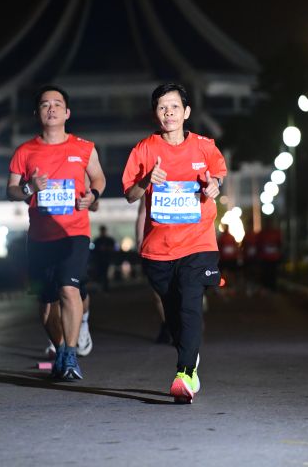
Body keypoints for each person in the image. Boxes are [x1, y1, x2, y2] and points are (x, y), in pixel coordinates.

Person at [122, 82, 227, 403]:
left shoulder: (204, 146)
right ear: (155, 113)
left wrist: (213, 186)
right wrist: (146, 180)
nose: (169, 113)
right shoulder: (144, 149)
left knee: (190, 302)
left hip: (198, 243)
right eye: (162, 107)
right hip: (159, 249)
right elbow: (130, 195)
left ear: (186, 112)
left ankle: (184, 372)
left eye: (174, 107)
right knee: (173, 313)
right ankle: (189, 356)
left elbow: (218, 177)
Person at [7, 85, 106, 381]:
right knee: (46, 302)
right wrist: (30, 187)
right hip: (40, 237)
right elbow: (12, 190)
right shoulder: (25, 151)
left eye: (57, 104)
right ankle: (61, 348)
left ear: (67, 112)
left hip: (74, 232)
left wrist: (92, 195)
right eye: (45, 104)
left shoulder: (84, 148)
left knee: (68, 288)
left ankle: (71, 354)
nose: (51, 109)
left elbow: (98, 178)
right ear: (37, 112)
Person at [136, 195, 172, 344]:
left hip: (184, 242)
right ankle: (168, 325)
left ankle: (183, 325)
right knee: (159, 293)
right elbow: (142, 212)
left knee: (183, 289)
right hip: (157, 242)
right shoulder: (152, 183)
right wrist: (140, 240)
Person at [257, 218, 283, 291]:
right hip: (265, 258)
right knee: (265, 273)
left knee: (273, 274)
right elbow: (258, 245)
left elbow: (279, 244)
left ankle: (272, 288)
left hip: (274, 258)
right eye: (267, 222)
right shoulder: (262, 234)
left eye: (270, 222)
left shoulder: (276, 233)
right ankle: (266, 288)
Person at [93, 225, 115, 291]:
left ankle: (105, 288)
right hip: (101, 260)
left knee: (104, 274)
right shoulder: (98, 240)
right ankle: (103, 288)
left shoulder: (100, 240)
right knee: (101, 274)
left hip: (105, 260)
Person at [217, 223, 240, 290]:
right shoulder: (224, 238)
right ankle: (225, 285)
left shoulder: (228, 237)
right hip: (225, 259)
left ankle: (228, 285)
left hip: (229, 259)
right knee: (226, 272)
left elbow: (235, 248)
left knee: (229, 272)